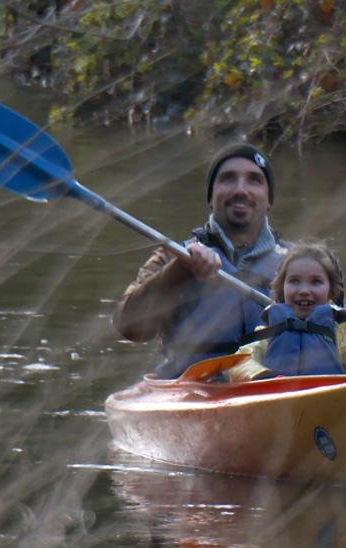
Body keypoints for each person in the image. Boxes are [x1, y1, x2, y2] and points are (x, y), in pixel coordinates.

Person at [113, 143, 290, 378]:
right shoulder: (172, 256)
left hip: (274, 386)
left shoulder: (299, 264)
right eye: (228, 179)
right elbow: (130, 328)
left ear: (268, 201)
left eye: (254, 180)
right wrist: (180, 270)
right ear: (211, 197)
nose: (241, 190)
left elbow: (334, 334)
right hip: (193, 387)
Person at [225, 241, 346, 382]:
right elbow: (240, 363)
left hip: (335, 400)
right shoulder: (270, 331)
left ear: (332, 290)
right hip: (277, 396)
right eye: (294, 281)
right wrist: (263, 376)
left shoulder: (345, 329)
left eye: (316, 282)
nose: (304, 290)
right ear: (282, 287)